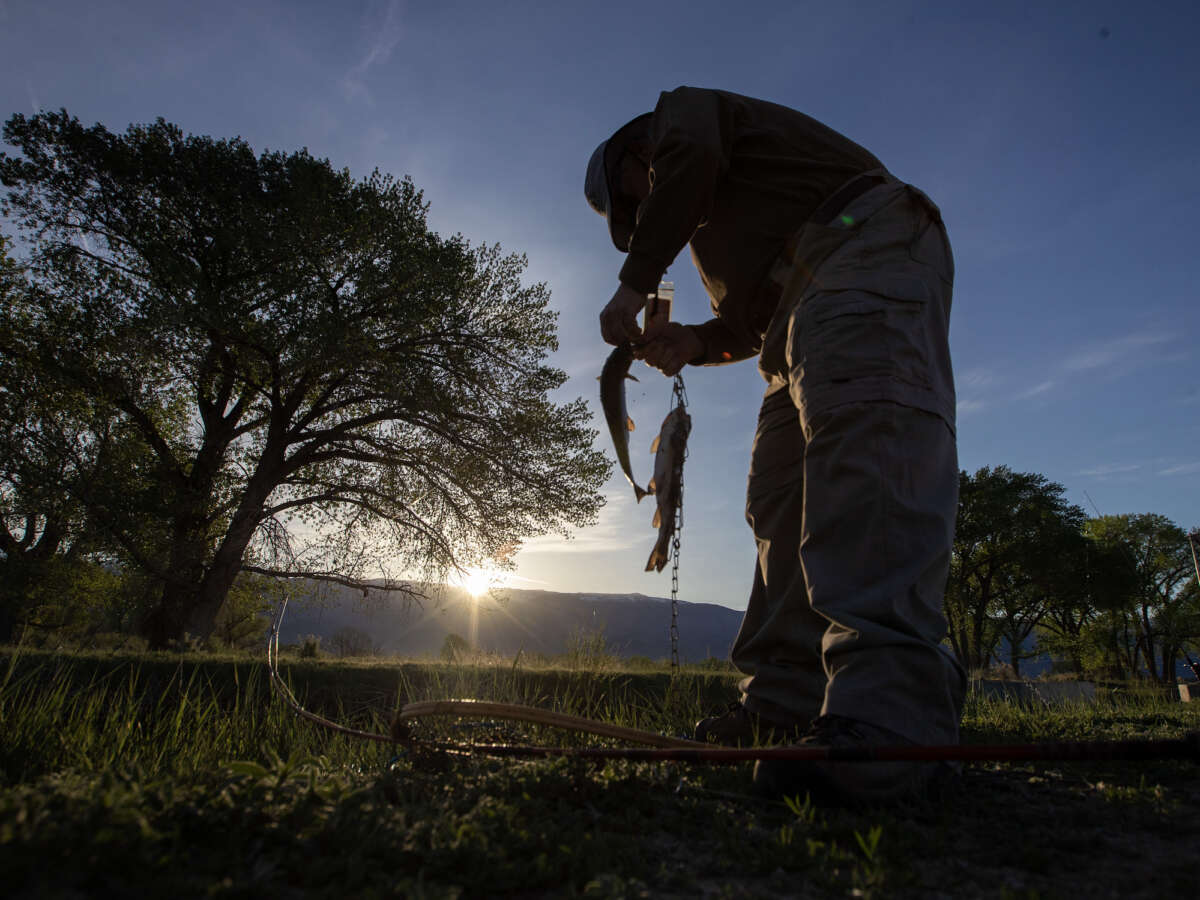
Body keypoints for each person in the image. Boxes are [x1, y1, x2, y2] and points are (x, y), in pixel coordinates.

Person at [585, 87, 966, 805]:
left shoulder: (684, 119)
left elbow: (691, 155)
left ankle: (890, 717)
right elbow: (750, 327)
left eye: (635, 207)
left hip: (862, 242)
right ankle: (785, 702)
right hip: (793, 315)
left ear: (641, 153)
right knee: (778, 498)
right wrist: (695, 340)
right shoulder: (718, 231)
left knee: (864, 441)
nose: (642, 227)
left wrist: (634, 285)